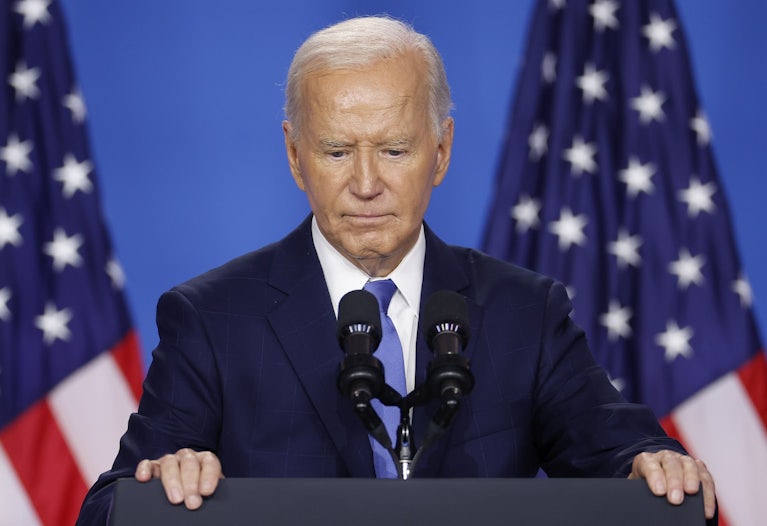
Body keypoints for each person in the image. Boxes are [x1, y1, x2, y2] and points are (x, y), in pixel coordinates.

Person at [76, 15, 716, 524]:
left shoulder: (525, 311)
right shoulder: (214, 317)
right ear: (295, 157)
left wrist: (654, 467)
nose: (365, 183)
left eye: (394, 149)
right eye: (335, 150)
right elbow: (106, 508)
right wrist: (161, 484)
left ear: (440, 153)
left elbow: (626, 455)